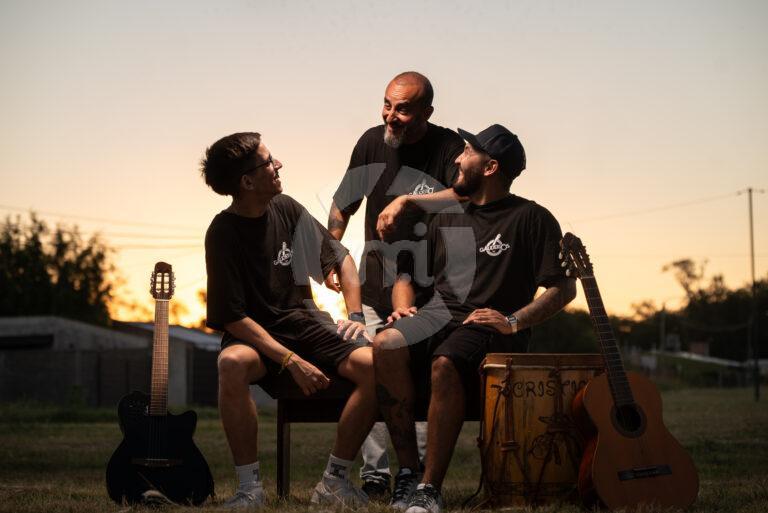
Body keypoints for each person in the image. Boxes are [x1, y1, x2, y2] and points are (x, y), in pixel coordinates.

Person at [371, 124, 577, 513]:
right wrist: (403, 306)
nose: (457, 158)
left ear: (490, 166)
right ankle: (409, 475)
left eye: (467, 152)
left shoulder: (532, 218)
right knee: (384, 343)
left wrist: (513, 321)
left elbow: (563, 289)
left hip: (488, 326)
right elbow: (405, 277)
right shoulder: (446, 216)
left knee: (445, 362)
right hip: (438, 317)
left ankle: (430, 490)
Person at [201, 132, 378, 509]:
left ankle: (334, 482)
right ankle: (249, 491)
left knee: (376, 366)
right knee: (230, 363)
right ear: (247, 181)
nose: (278, 164)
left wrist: (357, 317)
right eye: (269, 161)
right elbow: (232, 317)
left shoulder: (286, 208)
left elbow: (341, 259)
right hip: (257, 335)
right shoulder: (222, 233)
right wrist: (290, 361)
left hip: (305, 323)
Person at [326, 71, 465, 506]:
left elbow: (465, 193)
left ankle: (417, 476)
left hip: (428, 290)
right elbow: (342, 203)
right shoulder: (371, 142)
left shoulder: (447, 148)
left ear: (427, 112)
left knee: (416, 382)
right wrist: (333, 249)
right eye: (387, 104)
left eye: (403, 108)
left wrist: (409, 200)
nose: (391, 115)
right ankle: (373, 475)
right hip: (374, 286)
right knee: (376, 374)